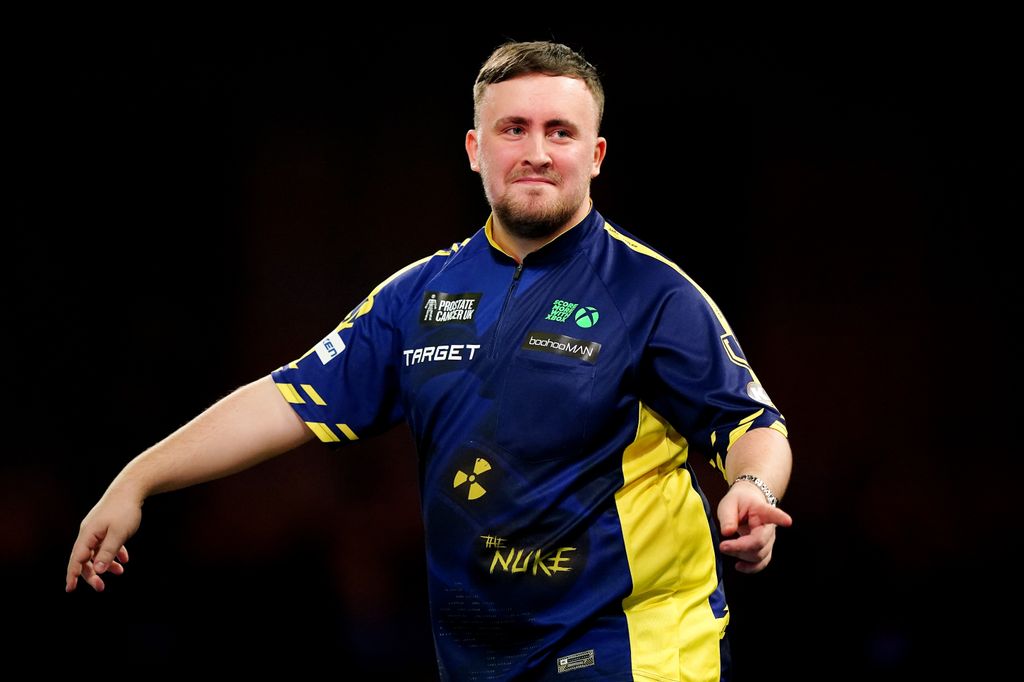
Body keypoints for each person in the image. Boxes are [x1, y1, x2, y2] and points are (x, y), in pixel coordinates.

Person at [66, 40, 793, 681]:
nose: (536, 151)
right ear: (476, 149)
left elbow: (753, 425)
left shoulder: (655, 294)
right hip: (482, 654)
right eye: (514, 129)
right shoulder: (416, 296)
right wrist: (138, 478)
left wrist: (753, 487)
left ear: (595, 156)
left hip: (638, 643)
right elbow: (287, 398)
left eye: (560, 132)